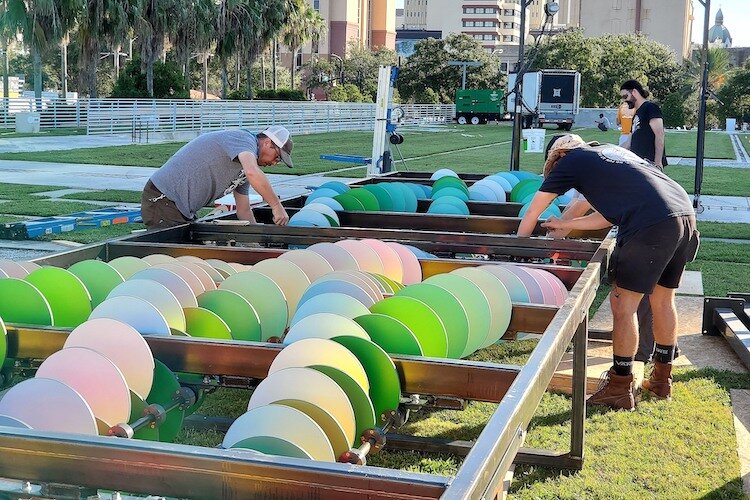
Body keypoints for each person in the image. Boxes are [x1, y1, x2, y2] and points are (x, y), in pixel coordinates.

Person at [518, 134, 699, 411]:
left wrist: (517, 250)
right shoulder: (611, 156)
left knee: (623, 305)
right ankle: (662, 381)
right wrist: (569, 226)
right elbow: (608, 216)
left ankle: (619, 387)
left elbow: (533, 211)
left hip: (651, 223)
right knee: (663, 301)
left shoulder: (570, 160)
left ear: (558, 156)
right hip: (682, 215)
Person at [141, 125, 292, 229]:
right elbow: (253, 172)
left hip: (179, 208)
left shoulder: (243, 170)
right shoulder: (244, 139)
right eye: (277, 157)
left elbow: (244, 210)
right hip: (163, 199)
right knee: (175, 262)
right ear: (267, 143)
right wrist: (276, 206)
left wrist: (256, 238)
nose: (275, 163)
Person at [620, 79, 667, 168]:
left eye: (625, 96)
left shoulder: (650, 108)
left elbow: (660, 134)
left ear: (634, 92)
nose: (624, 101)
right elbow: (628, 143)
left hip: (649, 164)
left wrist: (657, 162)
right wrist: (610, 151)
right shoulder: (636, 114)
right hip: (638, 164)